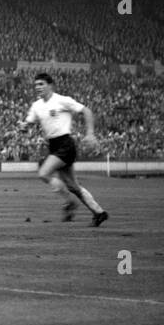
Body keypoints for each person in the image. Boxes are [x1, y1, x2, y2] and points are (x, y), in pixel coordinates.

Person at [22, 73, 109, 226]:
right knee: (73, 186)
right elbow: (28, 122)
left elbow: (86, 111)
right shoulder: (37, 105)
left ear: (50, 85)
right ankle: (99, 212)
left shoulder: (62, 100)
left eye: (41, 84)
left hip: (65, 144)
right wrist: (24, 126)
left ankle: (70, 202)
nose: (38, 88)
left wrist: (90, 133)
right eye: (36, 85)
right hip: (54, 145)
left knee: (44, 173)